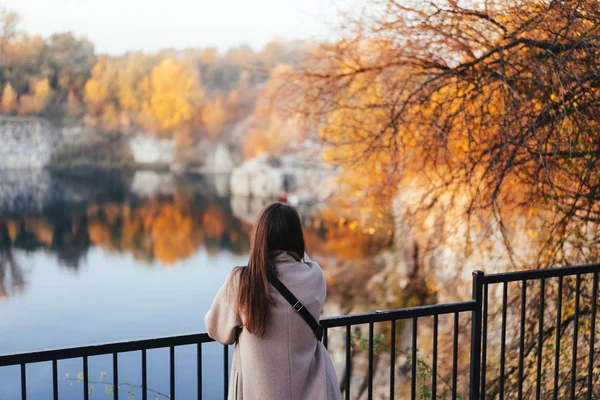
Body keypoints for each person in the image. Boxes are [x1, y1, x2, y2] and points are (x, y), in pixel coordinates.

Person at [205, 202, 341, 400]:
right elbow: (303, 260)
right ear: (297, 237)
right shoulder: (315, 276)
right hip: (314, 391)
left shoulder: (242, 281)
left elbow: (217, 331)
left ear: (259, 237)